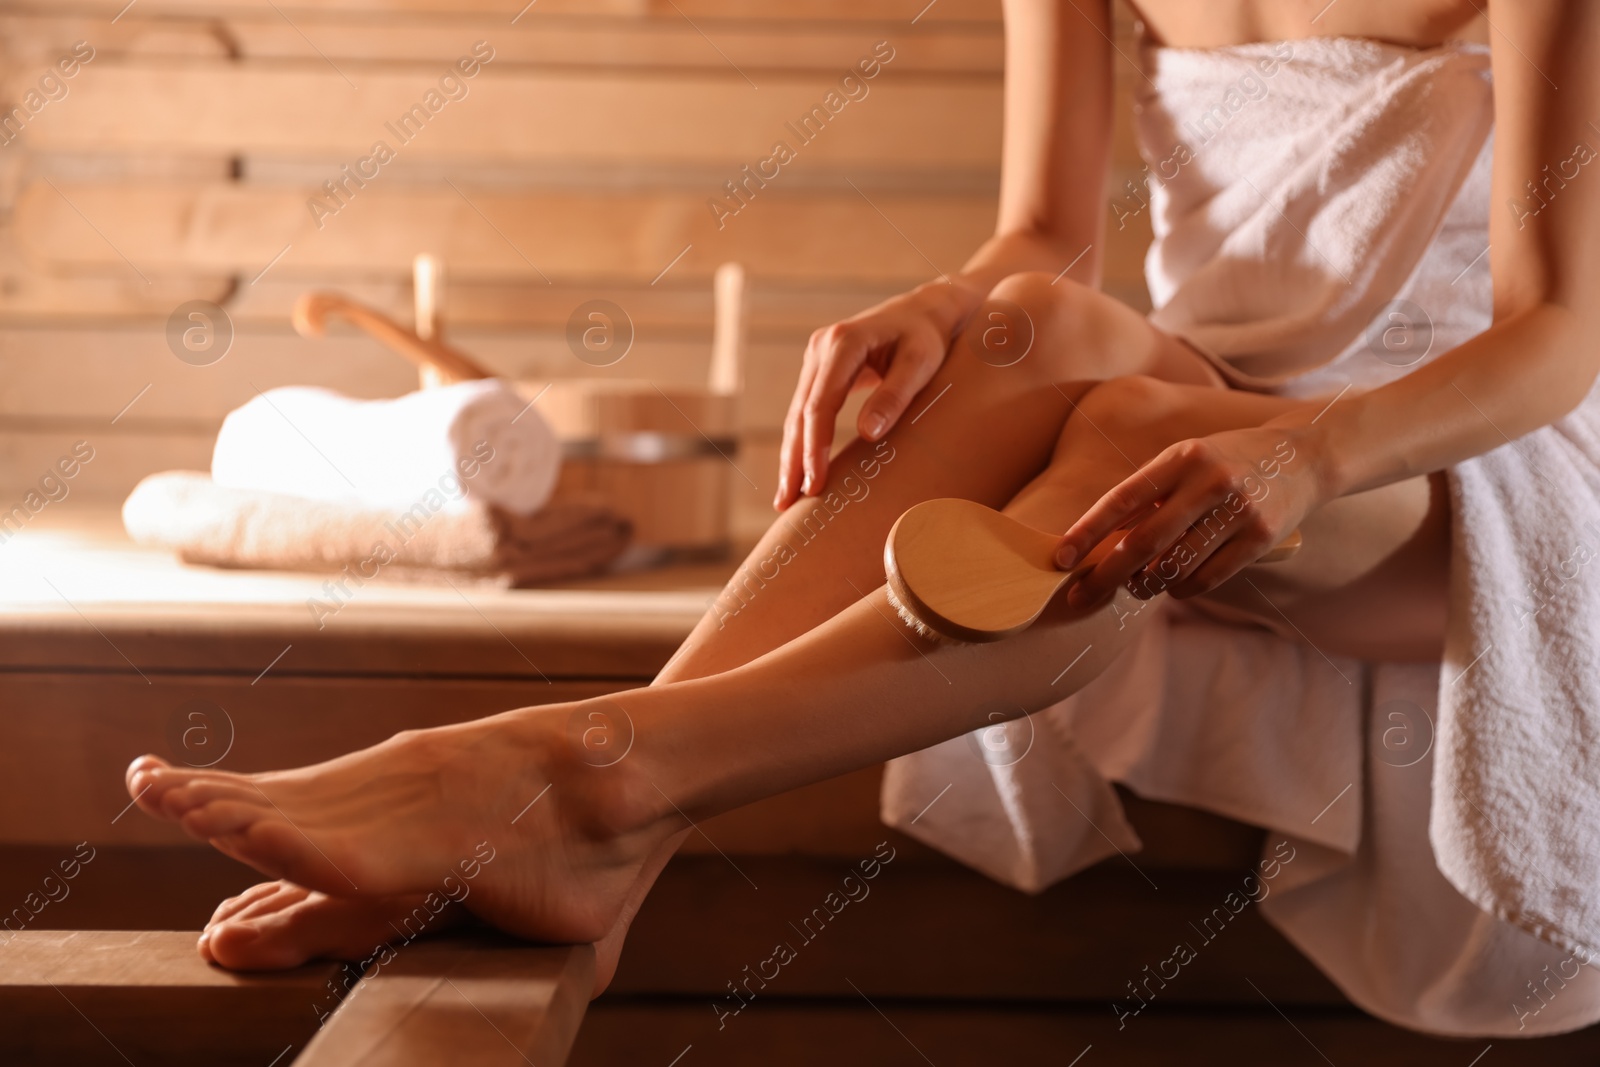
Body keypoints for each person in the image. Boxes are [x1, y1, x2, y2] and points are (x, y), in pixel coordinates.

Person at [125, 0, 1599, 1023]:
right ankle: (599, 815)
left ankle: (590, 784)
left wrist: (1314, 458)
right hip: (1193, 396)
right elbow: (1049, 235)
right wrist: (944, 308)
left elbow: (1556, 333)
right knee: (1028, 324)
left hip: (1470, 457)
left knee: (1126, 416)